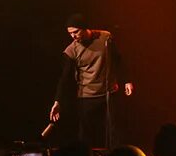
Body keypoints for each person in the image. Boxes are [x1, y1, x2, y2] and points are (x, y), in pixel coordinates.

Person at [51, 13, 133, 148]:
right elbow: (64, 78)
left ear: (84, 28)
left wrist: (127, 80)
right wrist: (57, 101)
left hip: (109, 92)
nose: (73, 36)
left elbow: (118, 59)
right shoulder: (72, 50)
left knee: (114, 131)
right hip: (87, 96)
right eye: (70, 33)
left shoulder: (105, 38)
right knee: (86, 134)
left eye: (75, 32)